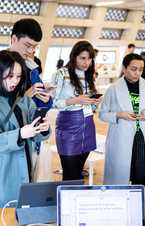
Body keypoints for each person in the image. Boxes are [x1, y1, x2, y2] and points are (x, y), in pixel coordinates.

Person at [0, 50, 50, 208]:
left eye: (18, 76)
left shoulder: (24, 100)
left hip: (26, 163)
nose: (15, 81)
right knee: (3, 211)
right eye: (10, 76)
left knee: (23, 208)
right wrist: (21, 133)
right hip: (2, 167)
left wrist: (42, 128)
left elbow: (35, 133)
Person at [99, 53, 145, 188]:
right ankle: (119, 202)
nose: (137, 73)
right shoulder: (113, 89)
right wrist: (119, 114)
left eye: (140, 70)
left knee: (141, 176)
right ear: (124, 68)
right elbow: (102, 114)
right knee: (120, 174)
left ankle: (139, 203)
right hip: (121, 137)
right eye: (133, 69)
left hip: (142, 137)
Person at [51, 40, 100, 181]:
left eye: (89, 59)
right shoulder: (61, 74)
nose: (86, 62)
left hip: (88, 124)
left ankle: (77, 200)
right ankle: (66, 201)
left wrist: (94, 102)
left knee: (78, 172)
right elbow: (52, 102)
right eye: (82, 58)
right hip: (69, 125)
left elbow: (90, 105)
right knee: (70, 173)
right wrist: (76, 100)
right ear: (74, 57)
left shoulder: (89, 75)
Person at [0, 18, 52, 110]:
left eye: (34, 47)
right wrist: (23, 98)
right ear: (14, 39)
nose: (31, 51)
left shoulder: (32, 69)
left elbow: (43, 105)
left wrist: (46, 100)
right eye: (27, 45)